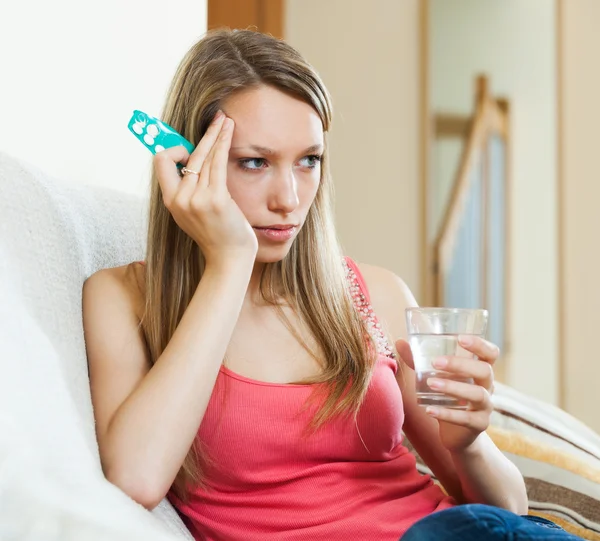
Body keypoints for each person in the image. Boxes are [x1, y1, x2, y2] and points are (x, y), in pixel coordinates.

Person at [82, 29, 582, 541]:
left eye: (309, 160)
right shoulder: (125, 299)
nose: (289, 198)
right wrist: (230, 262)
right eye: (254, 162)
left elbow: (509, 511)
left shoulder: (374, 294)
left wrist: (468, 444)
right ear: (189, 162)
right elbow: (136, 480)